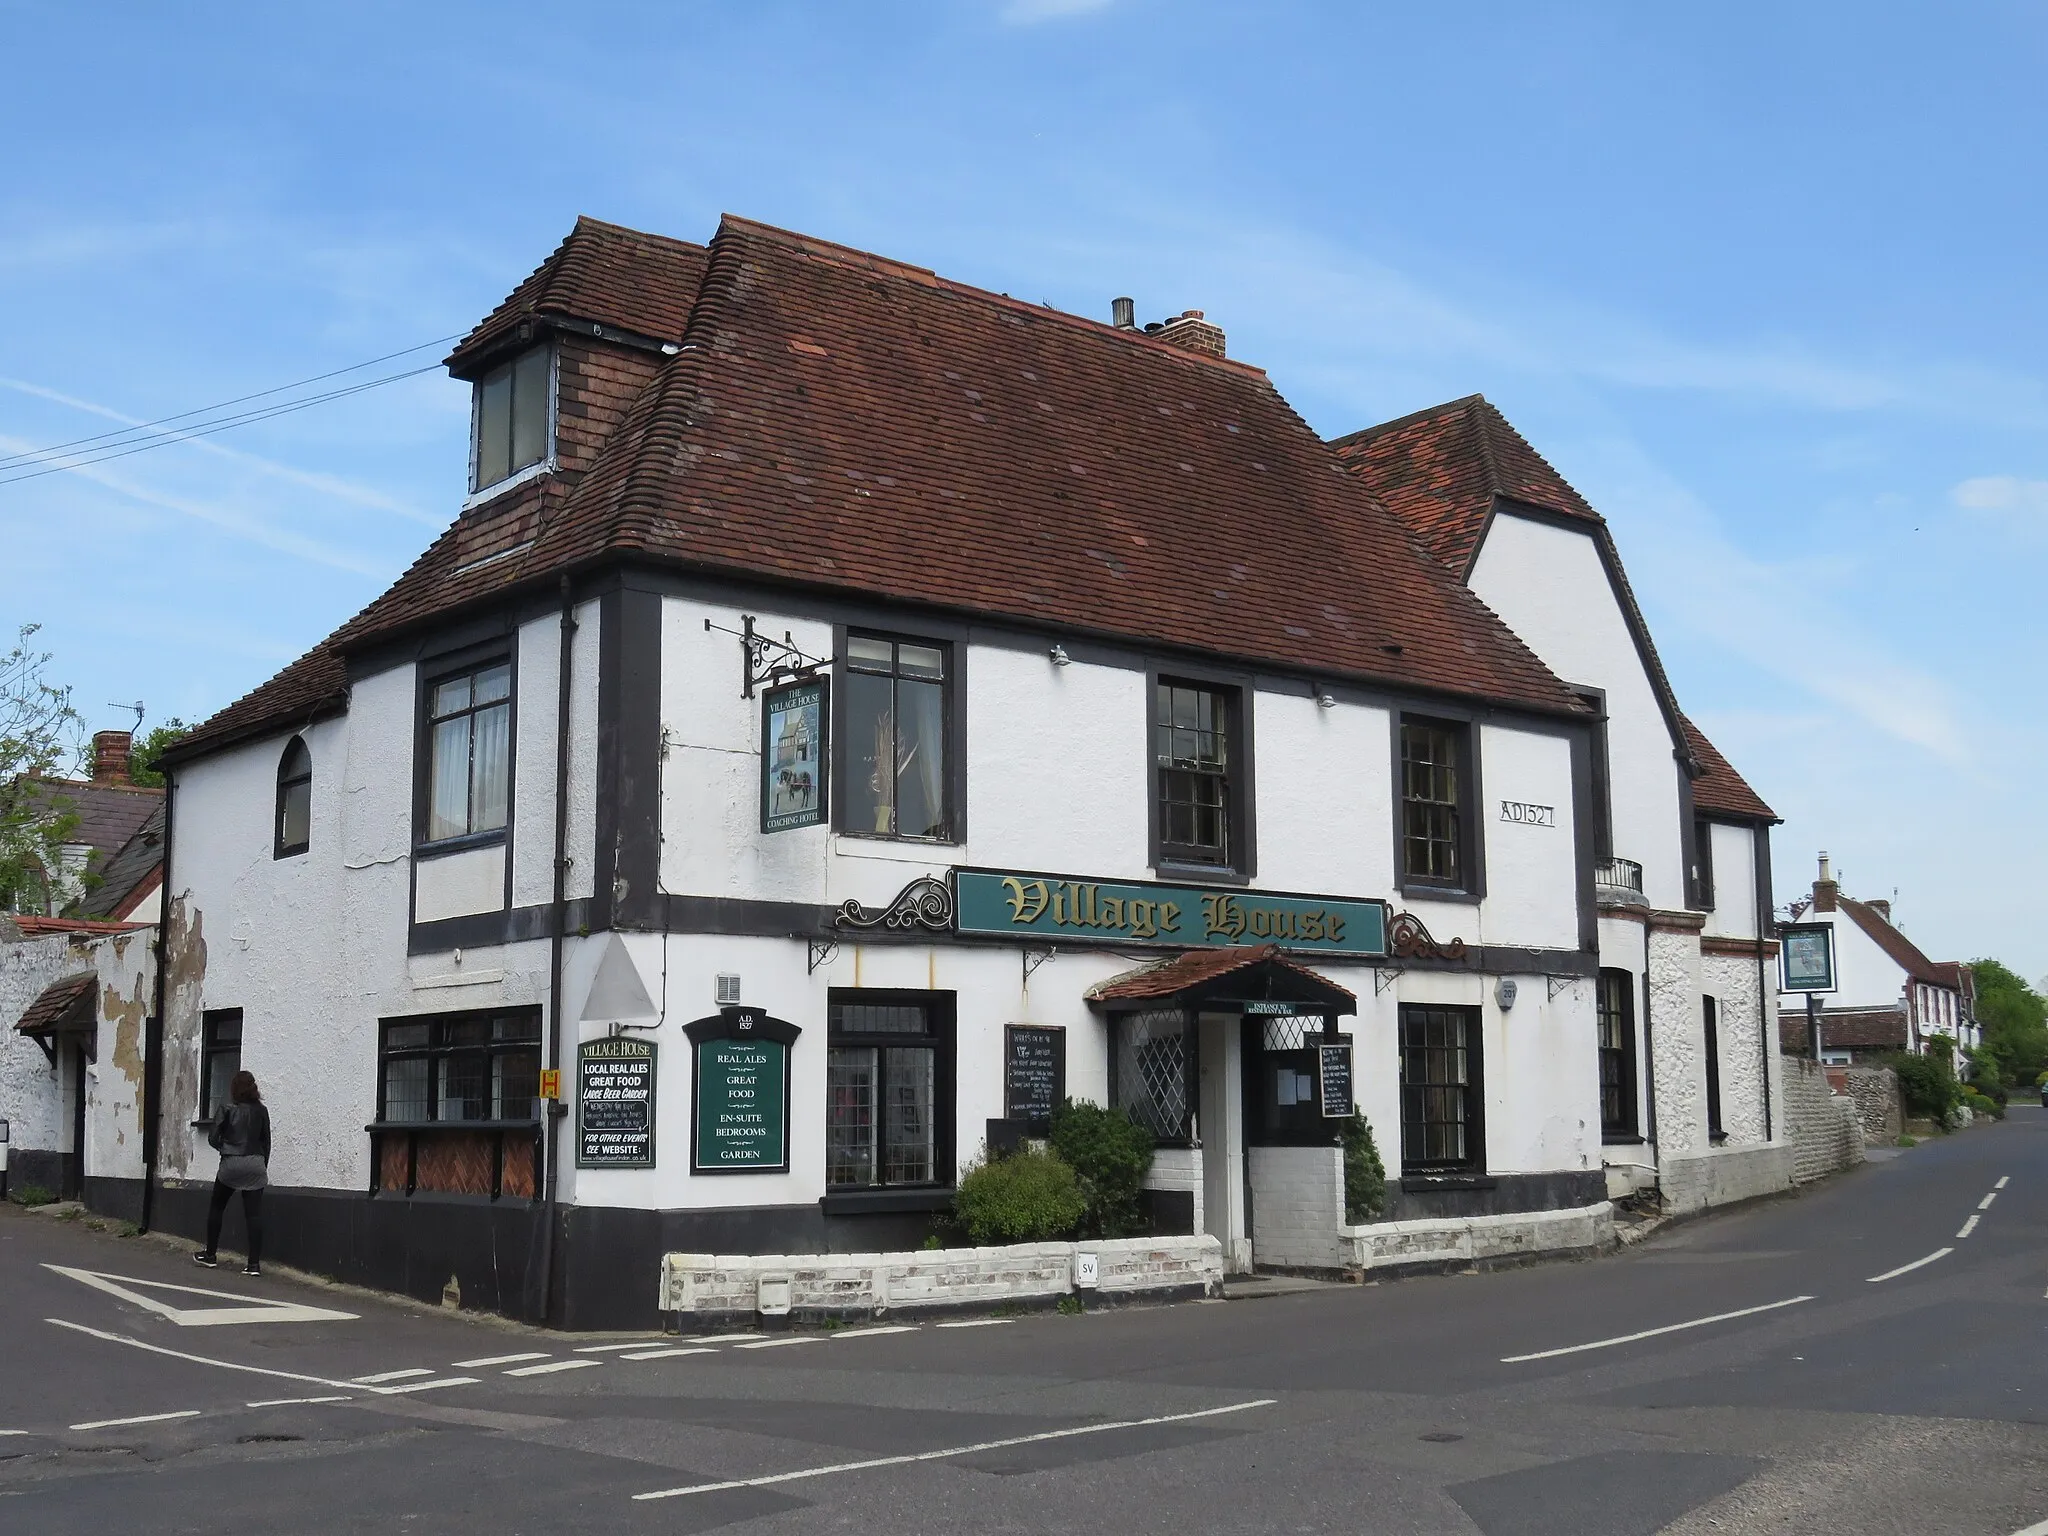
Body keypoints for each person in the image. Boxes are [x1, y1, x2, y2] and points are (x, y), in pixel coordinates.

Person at [194, 1070, 270, 1276]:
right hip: (255, 1163)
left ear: (234, 1088)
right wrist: (262, 1164)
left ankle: (210, 1255)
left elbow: (212, 1137)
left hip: (231, 1163)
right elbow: (266, 1141)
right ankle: (253, 1265)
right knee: (254, 1215)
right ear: (254, 1087)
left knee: (217, 1207)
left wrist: (225, 1149)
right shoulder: (262, 1111)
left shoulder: (226, 1108)